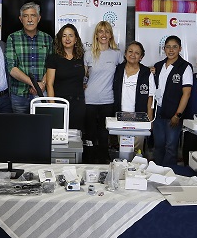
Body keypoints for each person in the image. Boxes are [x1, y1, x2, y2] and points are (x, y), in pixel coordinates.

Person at [83, 21, 124, 163]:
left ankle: (103, 161)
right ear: (96, 35)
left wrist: (149, 70)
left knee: (104, 134)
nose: (104, 34)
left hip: (108, 100)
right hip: (89, 100)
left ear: (111, 35)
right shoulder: (88, 54)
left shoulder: (117, 54)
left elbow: (129, 69)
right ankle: (89, 161)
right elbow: (84, 76)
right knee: (90, 134)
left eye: (107, 31)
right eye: (101, 31)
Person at [5, 2, 53, 113]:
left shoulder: (48, 39)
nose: (30, 19)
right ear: (20, 19)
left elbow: (51, 66)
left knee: (41, 123)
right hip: (19, 95)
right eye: (26, 16)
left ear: (39, 18)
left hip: (41, 93)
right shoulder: (12, 38)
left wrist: (42, 84)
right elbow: (11, 68)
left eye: (33, 15)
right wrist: (34, 84)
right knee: (20, 124)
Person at [152, 36, 193, 166]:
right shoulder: (158, 66)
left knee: (171, 146)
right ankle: (157, 170)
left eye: (174, 47)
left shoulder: (185, 67)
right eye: (168, 47)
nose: (171, 50)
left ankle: (169, 172)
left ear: (180, 49)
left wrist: (178, 115)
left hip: (174, 113)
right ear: (164, 49)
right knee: (158, 144)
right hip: (158, 111)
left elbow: (187, 93)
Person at [113, 41, 155, 154]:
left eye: (137, 53)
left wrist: (150, 119)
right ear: (125, 54)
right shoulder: (118, 70)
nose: (133, 55)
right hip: (120, 115)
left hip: (139, 116)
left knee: (137, 151)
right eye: (130, 51)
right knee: (123, 148)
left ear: (141, 57)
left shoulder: (147, 73)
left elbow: (150, 97)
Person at [45, 24, 86, 130]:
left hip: (78, 104)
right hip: (60, 103)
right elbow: (49, 84)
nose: (67, 39)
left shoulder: (82, 58)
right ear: (60, 39)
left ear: (76, 39)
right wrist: (53, 105)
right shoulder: (53, 58)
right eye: (64, 36)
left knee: (76, 134)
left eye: (70, 35)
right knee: (59, 134)